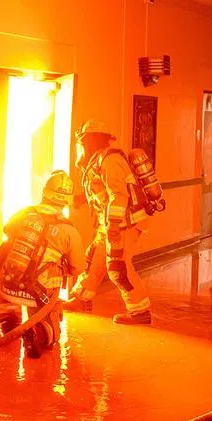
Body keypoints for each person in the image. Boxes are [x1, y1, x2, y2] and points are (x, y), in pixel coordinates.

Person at [63, 120, 154, 325]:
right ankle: (81, 299)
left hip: (125, 223)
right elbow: (101, 193)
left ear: (90, 141)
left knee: (118, 266)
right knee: (93, 260)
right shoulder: (98, 161)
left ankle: (140, 312)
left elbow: (118, 196)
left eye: (82, 142)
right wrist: (76, 200)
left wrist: (112, 226)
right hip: (111, 224)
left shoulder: (110, 161)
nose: (80, 146)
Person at [0, 170, 86, 358]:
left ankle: (8, 327)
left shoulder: (24, 214)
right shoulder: (68, 231)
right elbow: (78, 267)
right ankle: (37, 332)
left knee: (8, 309)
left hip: (8, 284)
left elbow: (7, 230)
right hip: (39, 291)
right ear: (66, 201)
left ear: (44, 193)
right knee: (50, 336)